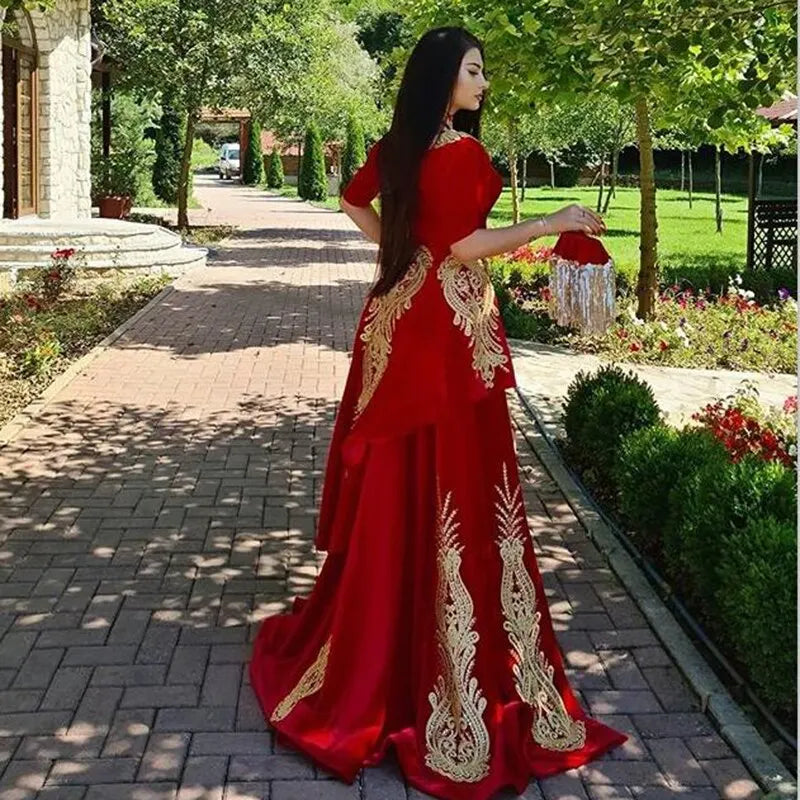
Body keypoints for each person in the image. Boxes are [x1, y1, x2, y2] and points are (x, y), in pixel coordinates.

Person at [249, 26, 626, 800]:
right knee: (459, 483)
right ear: (443, 79)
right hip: (449, 343)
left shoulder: (400, 143)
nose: (484, 83)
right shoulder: (459, 153)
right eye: (475, 71)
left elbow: (356, 202)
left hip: (395, 328)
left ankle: (383, 647)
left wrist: (400, 253)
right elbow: (467, 245)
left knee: (401, 489)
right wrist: (553, 221)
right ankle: (441, 670)